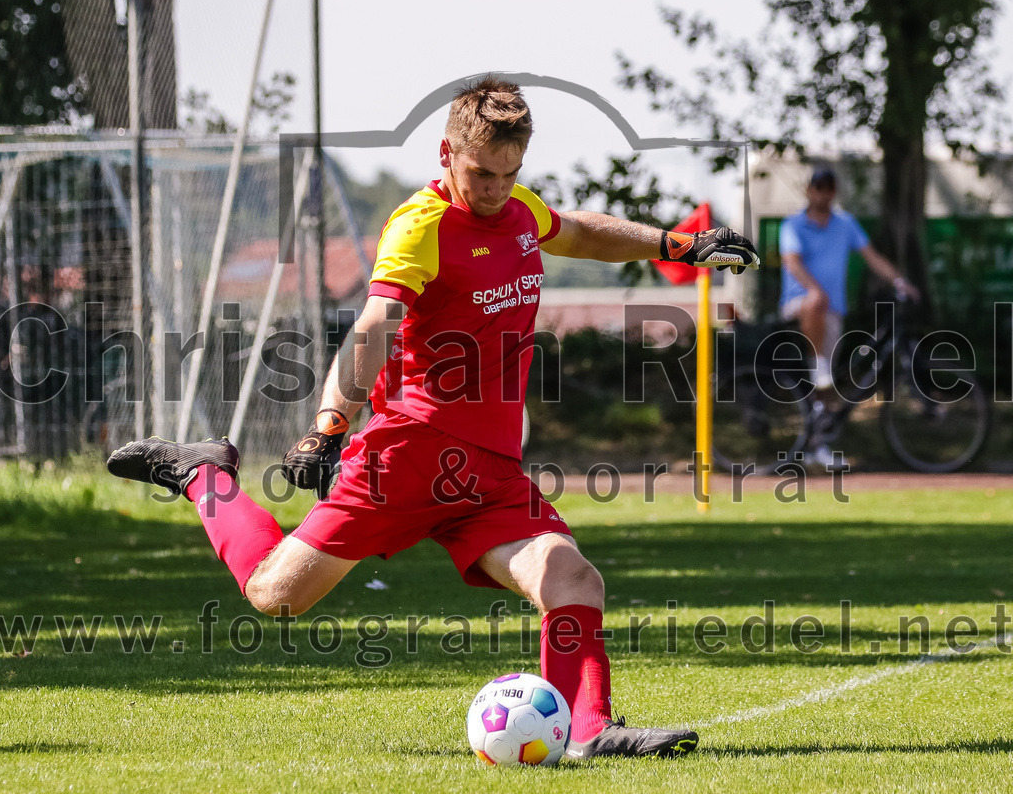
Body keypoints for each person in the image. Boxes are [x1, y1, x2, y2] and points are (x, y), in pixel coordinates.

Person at [108, 76, 759, 760]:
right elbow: (375, 324)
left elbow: (582, 233)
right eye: (481, 173)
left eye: (509, 174)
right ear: (447, 152)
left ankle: (588, 730)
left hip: (490, 471)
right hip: (409, 455)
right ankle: (203, 475)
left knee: (573, 580)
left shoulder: (517, 208)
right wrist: (330, 422)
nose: (495, 188)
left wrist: (674, 245)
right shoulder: (421, 227)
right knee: (276, 593)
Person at [778, 166, 919, 466]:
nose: (823, 193)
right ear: (809, 190)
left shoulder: (845, 224)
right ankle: (818, 366)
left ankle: (817, 447)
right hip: (799, 306)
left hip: (832, 312)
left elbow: (872, 257)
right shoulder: (792, 225)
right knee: (821, 361)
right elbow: (792, 262)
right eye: (818, 187)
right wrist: (814, 289)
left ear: (834, 191)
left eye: (828, 187)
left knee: (827, 389)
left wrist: (899, 281)